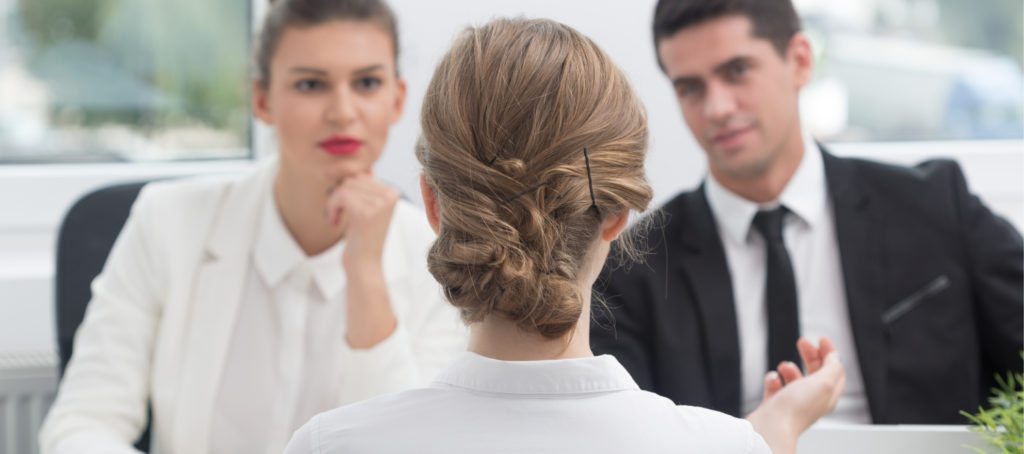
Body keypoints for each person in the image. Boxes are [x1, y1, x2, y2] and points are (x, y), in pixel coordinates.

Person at [283, 17, 846, 454]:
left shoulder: (330, 444)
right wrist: (770, 431)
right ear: (617, 212)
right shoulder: (720, 446)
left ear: (433, 203)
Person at [39, 1, 465, 453]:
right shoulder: (166, 222)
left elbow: (403, 445)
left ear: (396, 98)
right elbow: (82, 424)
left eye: (366, 83)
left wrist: (365, 274)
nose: (343, 111)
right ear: (262, 99)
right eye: (310, 84)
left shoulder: (434, 259)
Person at [590, 0, 1024, 425]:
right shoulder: (634, 265)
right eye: (691, 88)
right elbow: (622, 433)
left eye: (737, 71)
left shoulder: (935, 206)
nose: (717, 108)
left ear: (799, 60)